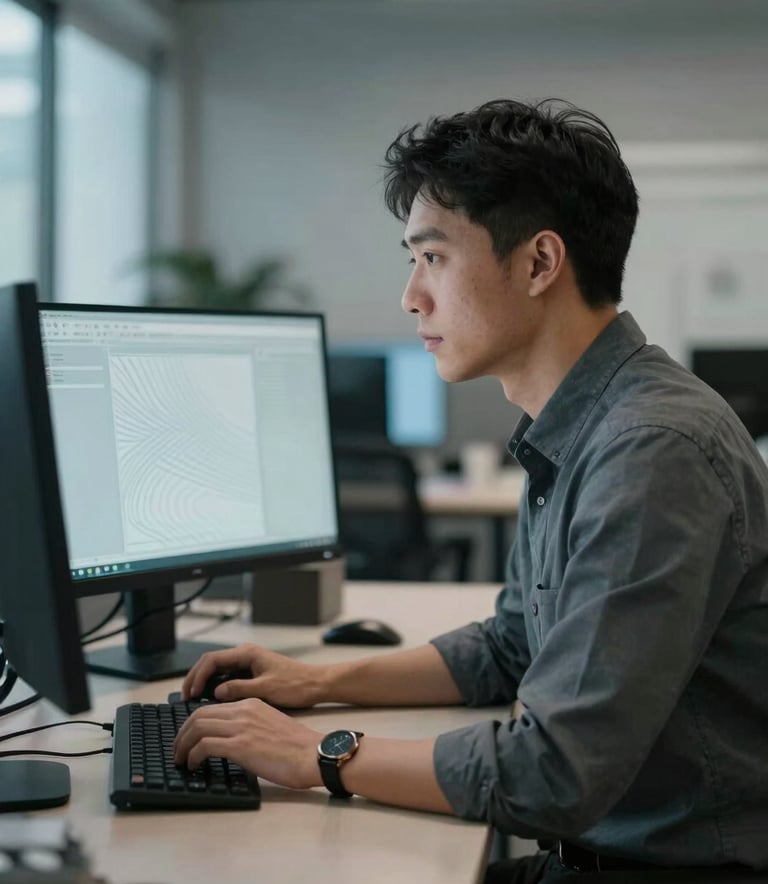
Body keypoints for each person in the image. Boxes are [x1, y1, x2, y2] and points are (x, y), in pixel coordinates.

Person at [173, 99, 768, 881]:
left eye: (434, 258)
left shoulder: (650, 450)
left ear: (538, 263)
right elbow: (512, 645)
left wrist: (315, 752)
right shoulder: (579, 425)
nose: (411, 296)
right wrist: (314, 682)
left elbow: (553, 773)